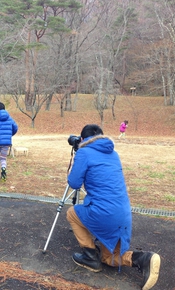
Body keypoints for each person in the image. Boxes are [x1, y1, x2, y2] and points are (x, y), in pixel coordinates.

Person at [66, 124, 160, 290]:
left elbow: (74, 182)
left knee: (72, 213)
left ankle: (90, 257)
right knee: (110, 259)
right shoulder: (114, 154)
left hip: (104, 215)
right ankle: (143, 259)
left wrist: (78, 158)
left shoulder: (83, 152)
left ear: (81, 140)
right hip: (123, 215)